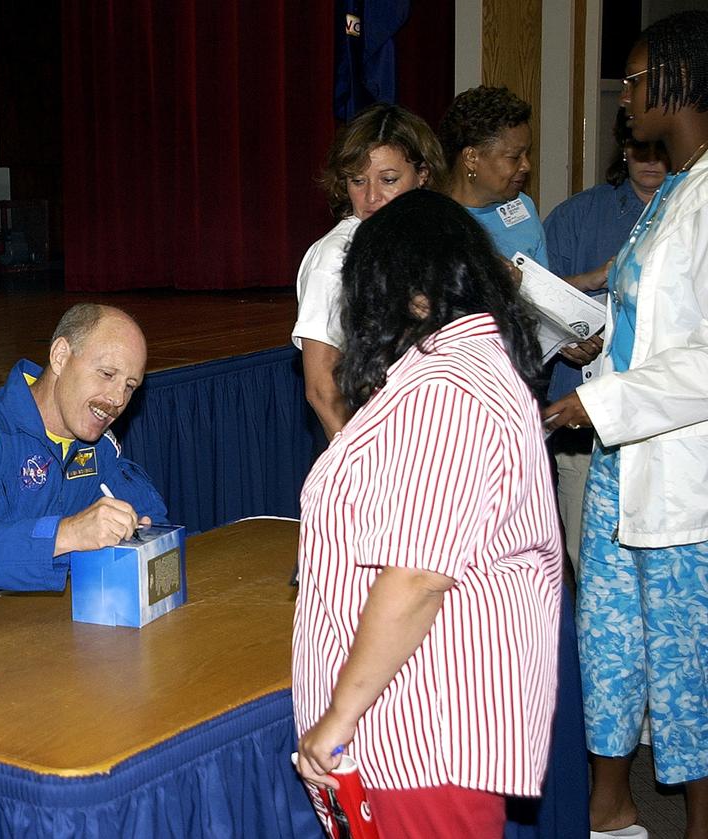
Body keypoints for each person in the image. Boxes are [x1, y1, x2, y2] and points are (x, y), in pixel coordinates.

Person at [294, 190, 562, 838]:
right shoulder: (461, 368)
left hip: (424, 730)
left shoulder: (448, 386)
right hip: (419, 722)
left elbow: (417, 576)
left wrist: (339, 715)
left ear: (413, 293)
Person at [544, 12, 708, 838]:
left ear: (682, 80)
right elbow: (650, 322)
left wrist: (597, 402)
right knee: (608, 646)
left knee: (688, 667)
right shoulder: (672, 193)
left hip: (681, 478)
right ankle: (608, 807)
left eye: (638, 81)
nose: (627, 101)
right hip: (618, 466)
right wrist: (595, 339)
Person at [0, 303, 168, 594]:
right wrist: (67, 534)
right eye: (106, 374)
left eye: (129, 386)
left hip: (58, 624)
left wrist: (144, 532)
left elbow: (156, 523)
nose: (117, 399)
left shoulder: (100, 447)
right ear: (61, 356)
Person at [543, 112, 670, 578]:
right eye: (641, 149)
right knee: (585, 561)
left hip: (665, 424)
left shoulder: (686, 216)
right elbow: (531, 302)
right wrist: (565, 339)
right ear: (623, 149)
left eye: (660, 150)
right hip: (585, 424)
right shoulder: (579, 215)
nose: (650, 162)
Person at [293, 102, 446, 439]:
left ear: (422, 176)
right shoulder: (335, 257)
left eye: (388, 180)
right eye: (357, 180)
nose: (371, 196)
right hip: (377, 451)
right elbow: (322, 391)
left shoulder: (427, 241)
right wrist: (362, 471)